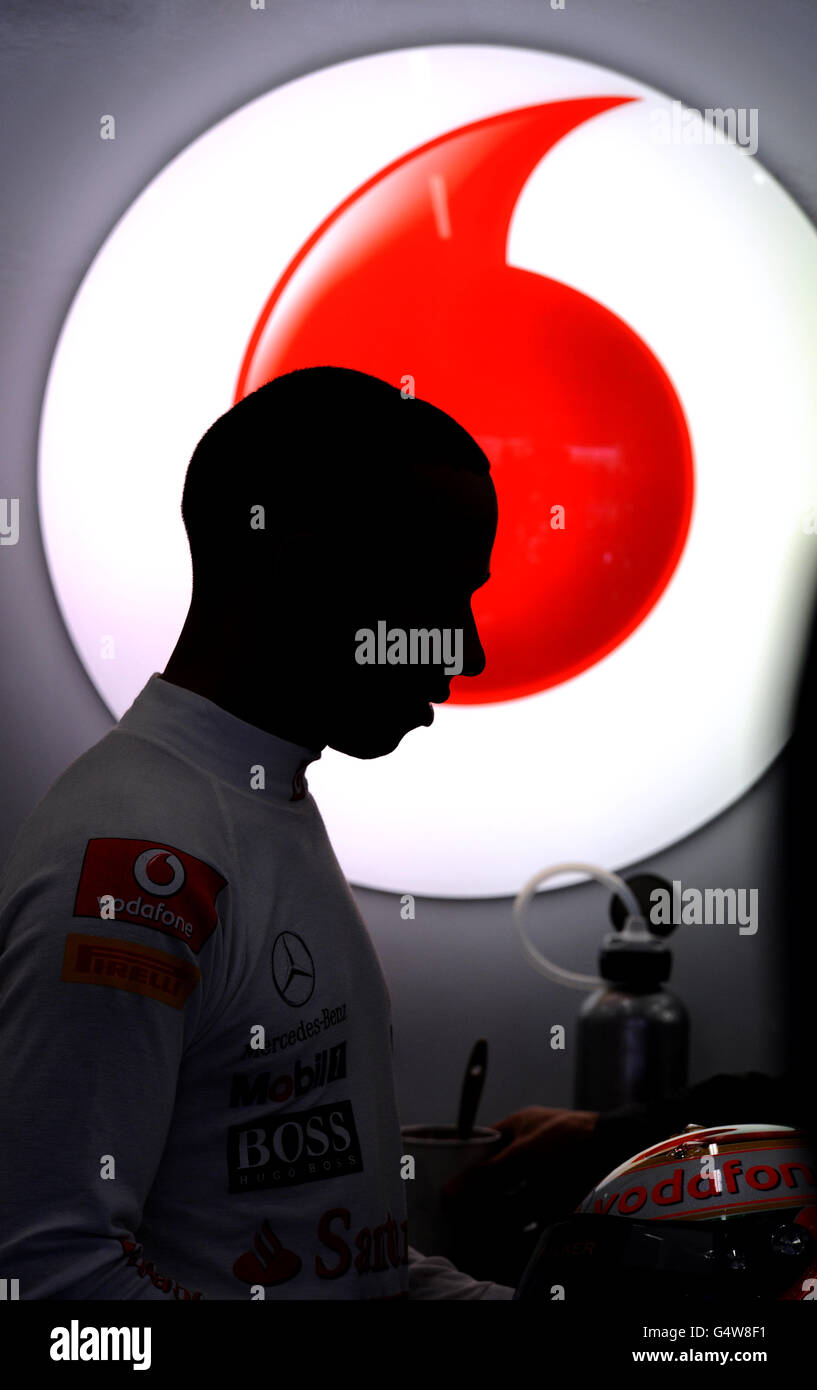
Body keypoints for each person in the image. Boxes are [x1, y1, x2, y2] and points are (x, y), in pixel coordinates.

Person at [0, 365, 515, 1299]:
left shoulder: (252, 805)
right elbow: (51, 1278)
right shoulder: (135, 861)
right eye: (441, 593)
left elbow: (326, 1265)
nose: (465, 653)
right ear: (300, 565)